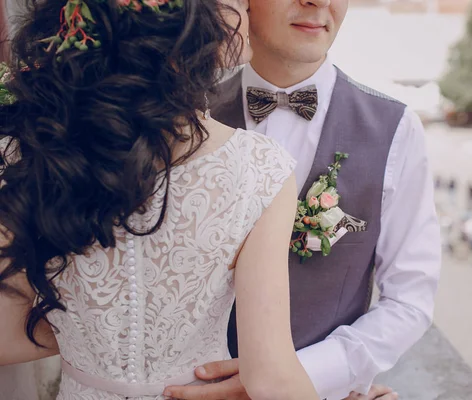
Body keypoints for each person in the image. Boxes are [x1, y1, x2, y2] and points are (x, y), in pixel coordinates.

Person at [0, 1, 319, 399]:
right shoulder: (258, 167)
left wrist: (92, 337)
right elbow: (271, 376)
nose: (248, 4)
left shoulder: (25, 152)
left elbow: (6, 335)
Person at [164, 1, 441, 399]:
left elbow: (411, 300)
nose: (317, 2)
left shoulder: (396, 130)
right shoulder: (179, 118)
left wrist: (299, 376)